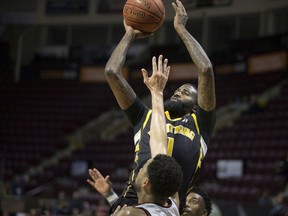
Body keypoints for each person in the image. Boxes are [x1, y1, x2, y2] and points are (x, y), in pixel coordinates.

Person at [104, 0, 216, 213]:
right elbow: (112, 72)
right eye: (175, 91)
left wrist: (181, 29)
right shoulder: (144, 116)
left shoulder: (200, 124)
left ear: (195, 107)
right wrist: (130, 33)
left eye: (185, 93)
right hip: (132, 201)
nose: (176, 93)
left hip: (167, 207)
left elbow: (206, 69)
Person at [89, 55, 183, 215]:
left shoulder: (131, 213)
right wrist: (156, 93)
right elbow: (159, 147)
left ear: (146, 182)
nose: (138, 169)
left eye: (142, 168)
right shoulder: (172, 205)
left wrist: (157, 92)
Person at [88, 169, 213, 216]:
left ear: (204, 213)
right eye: (186, 200)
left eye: (194, 201)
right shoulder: (168, 211)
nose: (186, 205)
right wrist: (109, 194)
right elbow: (120, 210)